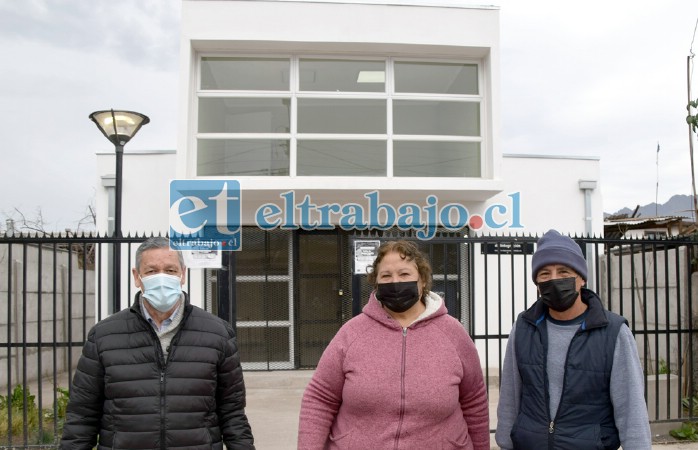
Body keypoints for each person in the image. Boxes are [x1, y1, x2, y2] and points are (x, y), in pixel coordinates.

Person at [60, 236, 255, 450]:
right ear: (137, 276)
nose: (162, 278)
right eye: (152, 271)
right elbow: (82, 416)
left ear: (183, 275)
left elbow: (233, 414)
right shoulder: (104, 336)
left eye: (170, 270)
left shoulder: (217, 333)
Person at [298, 240, 490, 449]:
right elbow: (320, 399)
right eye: (386, 276)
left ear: (422, 281)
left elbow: (474, 403)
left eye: (405, 274)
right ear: (376, 284)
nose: (395, 282)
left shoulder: (453, 334)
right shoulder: (352, 333)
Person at [495, 229, 652, 450]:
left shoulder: (613, 332)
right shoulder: (523, 327)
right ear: (537, 283)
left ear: (581, 278)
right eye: (544, 274)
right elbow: (510, 396)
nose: (554, 279)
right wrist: (505, 442)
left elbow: (631, 407)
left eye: (564, 271)